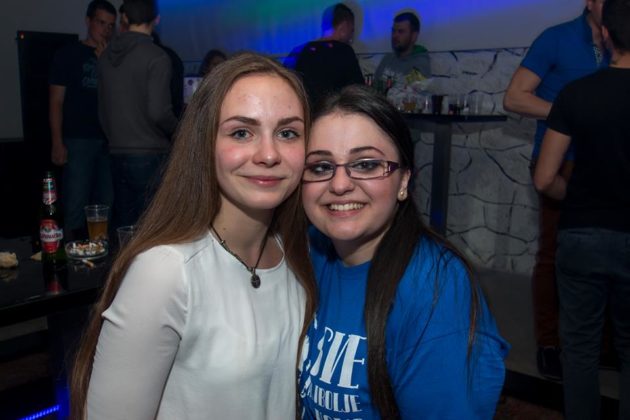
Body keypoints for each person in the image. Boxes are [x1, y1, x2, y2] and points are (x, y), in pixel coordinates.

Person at [70, 52, 317, 419]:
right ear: (205, 143)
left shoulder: (297, 254)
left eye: (287, 133)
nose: (269, 154)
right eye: (241, 132)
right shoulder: (166, 272)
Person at [298, 85, 509, 419]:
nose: (339, 185)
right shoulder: (311, 255)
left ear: (403, 181)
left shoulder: (435, 289)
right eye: (321, 167)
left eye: (366, 164)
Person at [503, 0, 609, 380]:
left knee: (603, 252)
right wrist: (570, 112)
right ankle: (548, 343)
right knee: (553, 251)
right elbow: (514, 97)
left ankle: (599, 343)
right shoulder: (557, 38)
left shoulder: (620, 43)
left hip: (605, 162)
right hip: (558, 161)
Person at [533, 0, 630, 417]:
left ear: (606, 35)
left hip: (582, 234)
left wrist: (574, 196)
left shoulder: (575, 93)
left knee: (580, 350)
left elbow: (544, 178)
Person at [98, 0, 178, 228]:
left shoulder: (104, 56)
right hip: (150, 153)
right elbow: (158, 112)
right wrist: (179, 131)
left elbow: (102, 111)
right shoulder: (157, 57)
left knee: (125, 227)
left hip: (116, 151)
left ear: (124, 19)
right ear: (157, 20)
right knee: (154, 226)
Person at [48, 0, 116, 238]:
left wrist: (106, 63)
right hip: (78, 138)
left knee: (107, 202)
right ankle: (71, 252)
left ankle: (101, 253)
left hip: (109, 140)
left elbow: (120, 98)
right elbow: (55, 101)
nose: (106, 30)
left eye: (110, 25)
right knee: (76, 201)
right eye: (101, 23)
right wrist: (57, 142)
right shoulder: (68, 55)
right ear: (88, 21)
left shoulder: (113, 58)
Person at [284, 3, 364, 106]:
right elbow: (359, 93)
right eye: (351, 30)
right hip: (331, 113)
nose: (351, 37)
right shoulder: (344, 51)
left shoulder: (298, 51)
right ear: (344, 26)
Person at [374, 11, 431, 91]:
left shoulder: (421, 65)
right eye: (393, 31)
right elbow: (373, 88)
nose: (395, 36)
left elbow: (409, 94)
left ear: (414, 36)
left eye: (400, 32)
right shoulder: (387, 59)